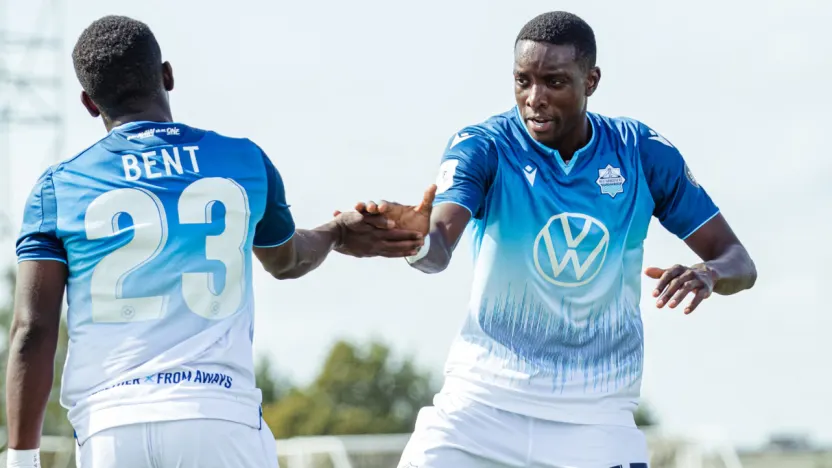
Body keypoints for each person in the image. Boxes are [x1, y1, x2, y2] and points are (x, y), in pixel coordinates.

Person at [4, 15, 424, 468]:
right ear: (167, 75)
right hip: (219, 416)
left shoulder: (58, 188)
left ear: (89, 103)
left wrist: (21, 457)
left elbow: (33, 328)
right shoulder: (242, 159)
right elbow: (287, 261)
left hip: (110, 428)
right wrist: (337, 231)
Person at [343, 11, 758, 468]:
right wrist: (418, 240)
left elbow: (738, 259)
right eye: (523, 81)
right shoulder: (485, 146)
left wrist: (709, 272)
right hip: (481, 407)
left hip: (597, 418)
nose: (534, 99)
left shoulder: (640, 152)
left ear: (591, 80)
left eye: (554, 82)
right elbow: (439, 244)